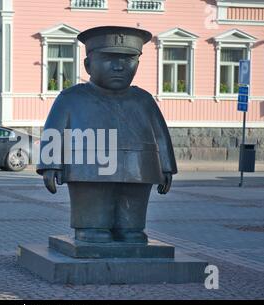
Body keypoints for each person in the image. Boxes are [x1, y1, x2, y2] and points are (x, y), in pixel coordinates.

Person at [37, 26, 177, 243]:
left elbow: (160, 134)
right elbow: (55, 130)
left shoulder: (144, 100)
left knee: (133, 216)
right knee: (94, 207)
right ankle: (91, 226)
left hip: (138, 166)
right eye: (108, 58)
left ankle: (130, 228)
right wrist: (50, 164)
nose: (119, 66)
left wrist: (167, 166)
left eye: (128, 59)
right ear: (88, 65)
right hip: (89, 167)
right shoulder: (71, 98)